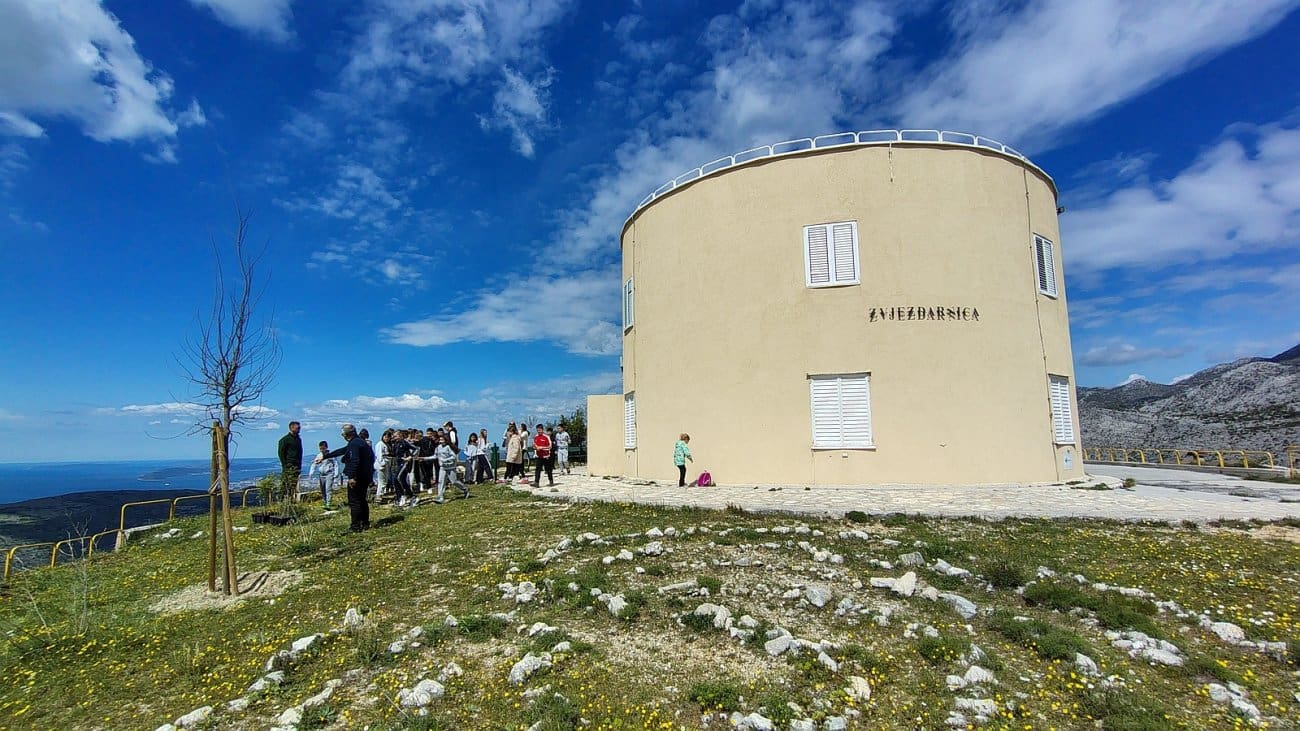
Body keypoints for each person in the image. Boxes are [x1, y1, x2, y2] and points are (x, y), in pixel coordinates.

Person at [319, 423, 376, 532]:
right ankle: (364, 523)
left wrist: (352, 477)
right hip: (365, 475)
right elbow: (342, 450)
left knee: (354, 501)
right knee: (362, 500)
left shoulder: (354, 444)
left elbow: (355, 460)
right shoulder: (359, 442)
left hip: (358, 477)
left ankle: (355, 526)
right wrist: (325, 456)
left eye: (343, 434)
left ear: (346, 434)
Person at [434, 434, 468, 502]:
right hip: (442, 468)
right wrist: (424, 458)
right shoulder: (438, 448)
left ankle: (465, 489)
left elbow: (453, 457)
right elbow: (435, 456)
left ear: (446, 441)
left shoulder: (448, 447)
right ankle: (440, 497)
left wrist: (445, 460)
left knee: (454, 481)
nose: (441, 441)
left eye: (442, 440)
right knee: (441, 482)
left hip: (451, 467)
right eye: (440, 440)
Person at [307, 440, 339, 509]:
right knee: (323, 489)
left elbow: (336, 464)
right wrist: (311, 473)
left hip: (329, 474)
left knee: (328, 489)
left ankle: (328, 503)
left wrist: (336, 474)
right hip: (321, 474)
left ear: (326, 447)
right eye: (320, 448)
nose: (322, 450)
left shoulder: (331, 455)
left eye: (323, 448)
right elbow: (314, 464)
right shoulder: (319, 455)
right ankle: (325, 502)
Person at [277, 421, 303, 504]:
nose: (299, 429)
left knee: (293, 484)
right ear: (292, 428)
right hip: (289, 465)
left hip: (297, 465)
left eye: (299, 428)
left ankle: (290, 500)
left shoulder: (298, 439)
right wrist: (285, 465)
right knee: (286, 483)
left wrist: (299, 465)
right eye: (297, 428)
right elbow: (281, 453)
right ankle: (280, 500)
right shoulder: (285, 440)